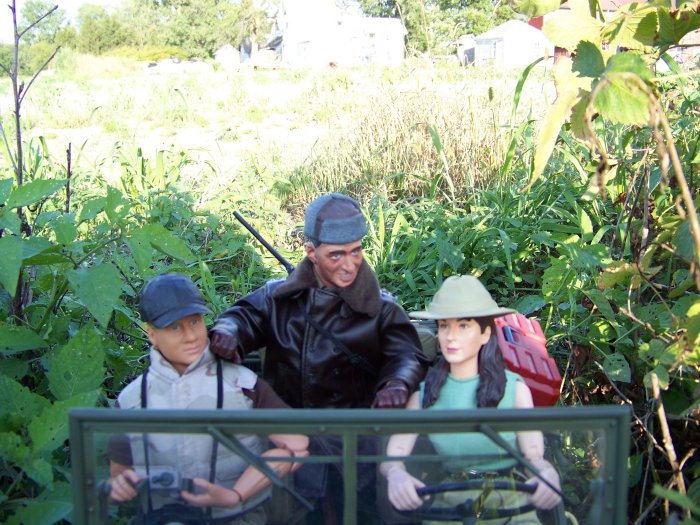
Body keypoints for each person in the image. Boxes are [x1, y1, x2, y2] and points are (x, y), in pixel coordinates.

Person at [209, 193, 429, 523]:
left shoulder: (381, 308)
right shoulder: (278, 298)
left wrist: (398, 382)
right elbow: (243, 317)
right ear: (311, 252)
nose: (350, 264)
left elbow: (406, 354)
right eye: (336, 254)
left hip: (356, 445)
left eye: (356, 251)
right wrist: (228, 331)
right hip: (292, 444)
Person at [107, 273, 309, 525]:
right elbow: (118, 476)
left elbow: (296, 445)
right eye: (174, 327)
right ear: (152, 334)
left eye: (195, 322)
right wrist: (121, 487)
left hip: (240, 518)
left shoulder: (243, 384)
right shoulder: (132, 400)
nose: (190, 336)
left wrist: (236, 495)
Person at [380, 275, 561, 524]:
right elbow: (393, 457)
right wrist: (396, 475)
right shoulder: (424, 395)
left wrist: (548, 474)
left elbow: (534, 457)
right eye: (444, 326)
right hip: (450, 504)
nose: (451, 336)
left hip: (510, 502)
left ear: (485, 333)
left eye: (463, 326)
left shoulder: (514, 389)